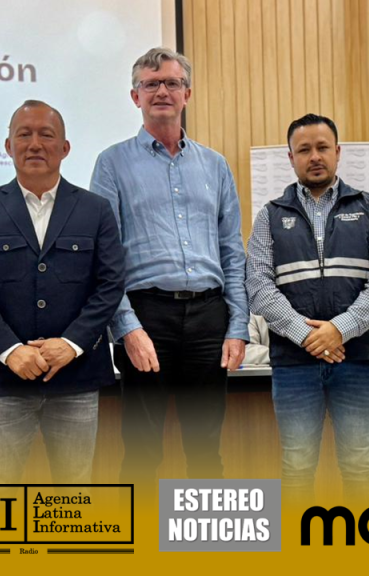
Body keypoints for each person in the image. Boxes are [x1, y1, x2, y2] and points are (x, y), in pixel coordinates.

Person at [90, 48, 248, 495]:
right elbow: (104, 259)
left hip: (209, 318)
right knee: (142, 453)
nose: (162, 91)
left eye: (172, 83)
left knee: (206, 452)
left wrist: (237, 326)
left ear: (187, 94)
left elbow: (232, 251)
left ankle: (205, 539)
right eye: (151, 83)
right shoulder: (112, 163)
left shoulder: (215, 165)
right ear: (135, 96)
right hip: (146, 317)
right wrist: (126, 328)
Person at [0, 100, 125, 484]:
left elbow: (110, 285)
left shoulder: (96, 210)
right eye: (24, 135)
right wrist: (10, 350)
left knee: (73, 494)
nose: (34, 144)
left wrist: (72, 344)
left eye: (46, 135)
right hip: (3, 380)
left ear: (64, 148)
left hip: (76, 378)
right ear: (8, 146)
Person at [246, 113, 369, 506]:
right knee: (296, 467)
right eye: (304, 150)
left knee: (359, 464)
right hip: (294, 364)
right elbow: (258, 287)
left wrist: (339, 330)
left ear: (337, 152)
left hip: (356, 358)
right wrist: (307, 335)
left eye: (322, 147)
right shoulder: (269, 216)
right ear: (291, 158)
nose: (314, 156)